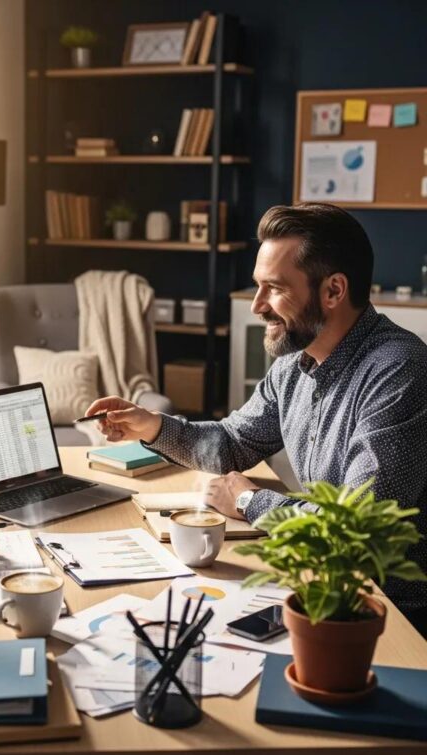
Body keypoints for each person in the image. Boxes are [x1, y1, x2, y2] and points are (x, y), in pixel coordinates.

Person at [86, 202, 427, 634]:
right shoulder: (295, 361)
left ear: (334, 291)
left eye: (275, 288)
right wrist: (152, 425)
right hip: (320, 586)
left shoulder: (399, 369)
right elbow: (232, 443)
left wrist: (249, 500)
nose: (257, 306)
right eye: (257, 287)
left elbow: (359, 533)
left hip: (387, 614)